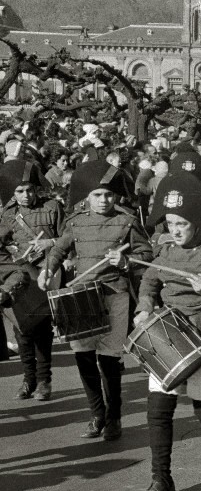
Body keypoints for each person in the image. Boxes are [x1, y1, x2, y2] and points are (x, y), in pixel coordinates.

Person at [134, 173, 201, 491]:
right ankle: (161, 480)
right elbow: (149, 281)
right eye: (170, 223)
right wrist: (144, 307)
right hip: (167, 332)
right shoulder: (164, 247)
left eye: (182, 224)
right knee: (158, 409)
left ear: (196, 223)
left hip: (200, 334)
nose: (176, 230)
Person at [39, 162, 152, 440]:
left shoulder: (128, 221)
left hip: (115, 294)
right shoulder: (75, 221)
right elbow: (58, 249)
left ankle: (114, 418)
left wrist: (126, 261)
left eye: (109, 195)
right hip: (82, 297)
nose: (104, 200)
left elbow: (147, 255)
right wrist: (48, 269)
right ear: (87, 197)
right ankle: (96, 414)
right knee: (84, 358)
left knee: (110, 361)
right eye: (98, 195)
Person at [0, 159, 63, 400]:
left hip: (47, 271)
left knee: (42, 327)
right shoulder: (7, 214)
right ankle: (28, 378)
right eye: (19, 191)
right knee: (21, 329)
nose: (25, 195)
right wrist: (13, 249)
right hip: (20, 274)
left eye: (29, 190)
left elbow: (69, 236)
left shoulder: (52, 207)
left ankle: (44, 380)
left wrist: (50, 242)